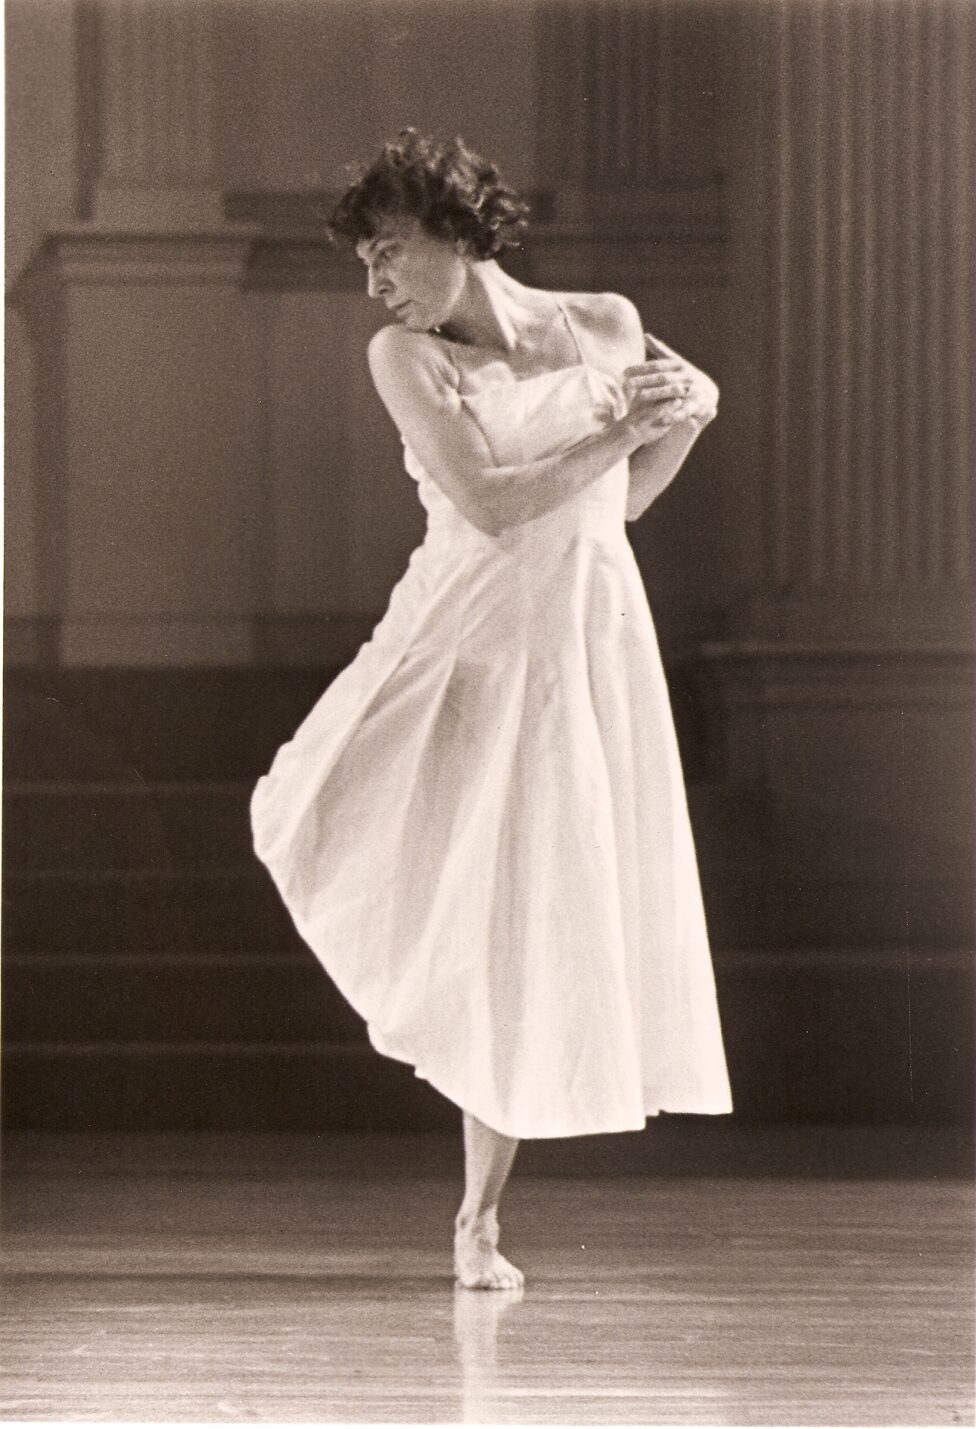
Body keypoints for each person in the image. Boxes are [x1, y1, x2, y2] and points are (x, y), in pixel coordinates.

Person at [251, 130, 732, 1292]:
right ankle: (472, 1214)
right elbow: (489, 499)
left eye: (389, 253)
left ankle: (476, 1220)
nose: (375, 283)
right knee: (360, 842)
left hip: (579, 638)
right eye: (365, 263)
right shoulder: (403, 357)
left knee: (528, 903)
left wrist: (691, 419)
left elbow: (607, 511)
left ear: (459, 237)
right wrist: (631, 425)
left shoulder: (607, 321)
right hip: (459, 639)